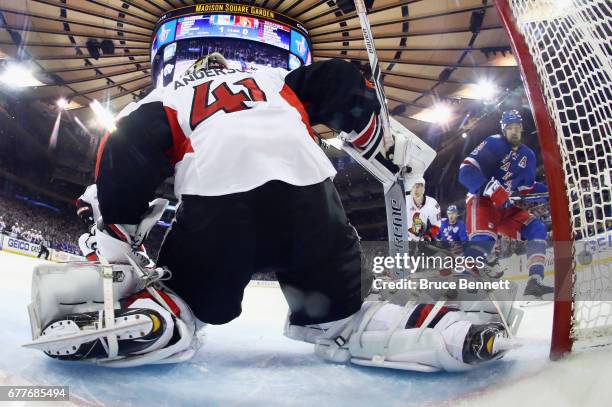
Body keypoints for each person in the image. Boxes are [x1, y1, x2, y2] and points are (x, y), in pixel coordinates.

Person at [26, 54, 518, 371]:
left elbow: (125, 152)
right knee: (340, 313)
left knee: (189, 298)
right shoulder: (273, 78)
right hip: (309, 196)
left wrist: (118, 236)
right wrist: (372, 132)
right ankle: (446, 333)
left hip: (221, 206)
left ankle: (158, 320)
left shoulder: (163, 97)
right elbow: (341, 77)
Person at [458, 110, 551, 298]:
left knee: (537, 229)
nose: (514, 131)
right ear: (503, 129)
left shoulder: (528, 156)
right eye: (509, 127)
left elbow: (527, 189)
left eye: (517, 127)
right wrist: (489, 188)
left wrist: (551, 193)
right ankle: (460, 285)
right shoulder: (494, 143)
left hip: (504, 207)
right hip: (481, 201)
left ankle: (535, 281)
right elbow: (465, 171)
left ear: (522, 128)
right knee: (484, 241)